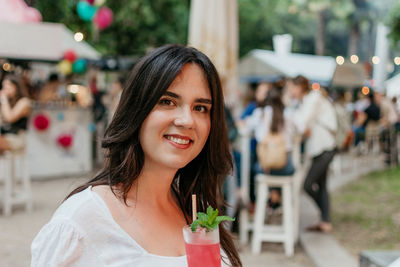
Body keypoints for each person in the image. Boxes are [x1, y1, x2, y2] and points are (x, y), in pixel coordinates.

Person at [31, 44, 242, 267]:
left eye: (200, 108)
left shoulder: (195, 211)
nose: (187, 120)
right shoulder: (82, 221)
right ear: (137, 110)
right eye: (168, 101)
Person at [287, 75, 337, 233]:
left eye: (291, 88)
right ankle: (325, 220)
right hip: (320, 148)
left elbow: (302, 124)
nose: (289, 91)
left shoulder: (313, 99)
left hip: (325, 146)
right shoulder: (305, 101)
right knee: (321, 185)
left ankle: (325, 215)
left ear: (299, 87)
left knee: (308, 184)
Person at [245, 86, 296, 210]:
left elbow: (251, 130)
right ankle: (276, 195)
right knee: (281, 170)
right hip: (286, 166)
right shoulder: (288, 113)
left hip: (265, 167)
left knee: (257, 168)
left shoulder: (260, 113)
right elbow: (301, 127)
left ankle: (271, 195)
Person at [0, 75, 31, 153]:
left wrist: (4, 100)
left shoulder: (24, 102)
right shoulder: (7, 102)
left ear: (16, 87)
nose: (5, 90)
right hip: (4, 136)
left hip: (17, 138)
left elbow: (10, 118)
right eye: (4, 87)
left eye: (8, 87)